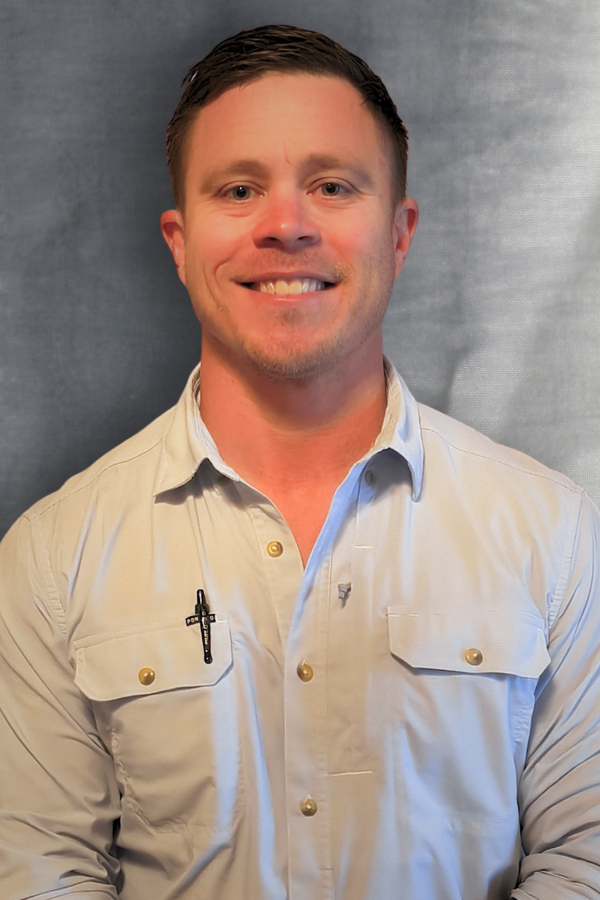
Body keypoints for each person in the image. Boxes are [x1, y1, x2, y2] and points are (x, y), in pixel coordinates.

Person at [1, 23, 599, 900]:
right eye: (240, 189)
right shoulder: (53, 556)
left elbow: (587, 856)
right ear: (179, 241)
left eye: (331, 186)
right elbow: (39, 874)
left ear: (399, 231)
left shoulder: (555, 532)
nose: (285, 226)